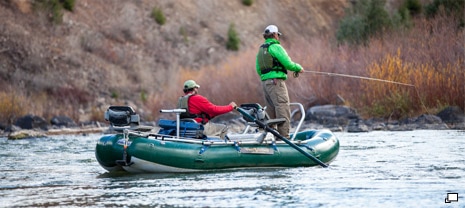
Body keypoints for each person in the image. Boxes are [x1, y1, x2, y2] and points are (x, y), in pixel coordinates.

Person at [255, 25, 304, 138]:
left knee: (271, 109)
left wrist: (267, 78)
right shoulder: (276, 47)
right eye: (278, 35)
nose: (279, 37)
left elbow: (258, 69)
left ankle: (271, 136)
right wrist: (298, 68)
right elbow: (288, 64)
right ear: (275, 35)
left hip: (266, 83)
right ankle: (284, 137)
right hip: (276, 83)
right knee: (282, 107)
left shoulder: (261, 49)